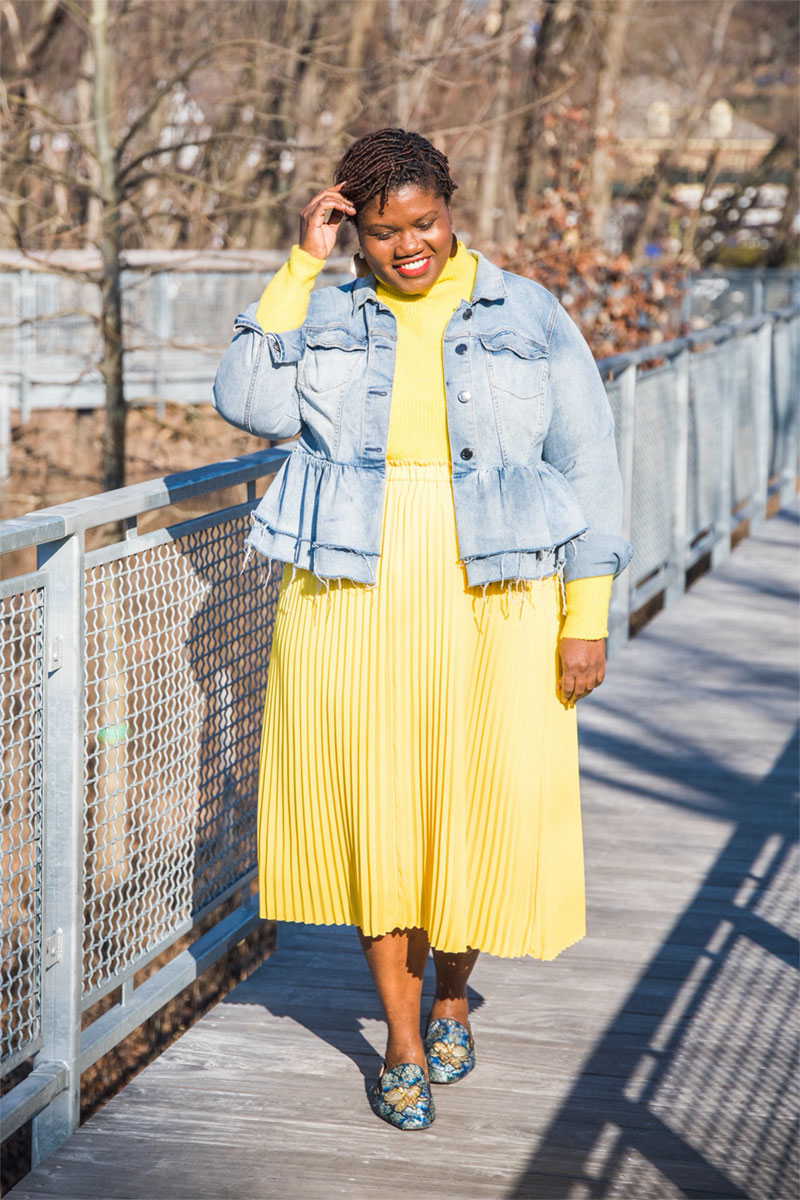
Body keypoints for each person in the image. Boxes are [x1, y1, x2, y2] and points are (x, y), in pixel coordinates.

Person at [212, 128, 634, 1131]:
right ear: (355, 232)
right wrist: (300, 265)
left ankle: (451, 993)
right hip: (352, 591)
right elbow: (246, 400)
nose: (409, 247)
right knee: (378, 809)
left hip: (496, 588)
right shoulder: (327, 309)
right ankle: (401, 1038)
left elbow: (589, 464)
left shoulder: (526, 311)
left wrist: (586, 617)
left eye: (425, 223)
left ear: (451, 209)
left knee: (473, 803)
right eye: (384, 232)